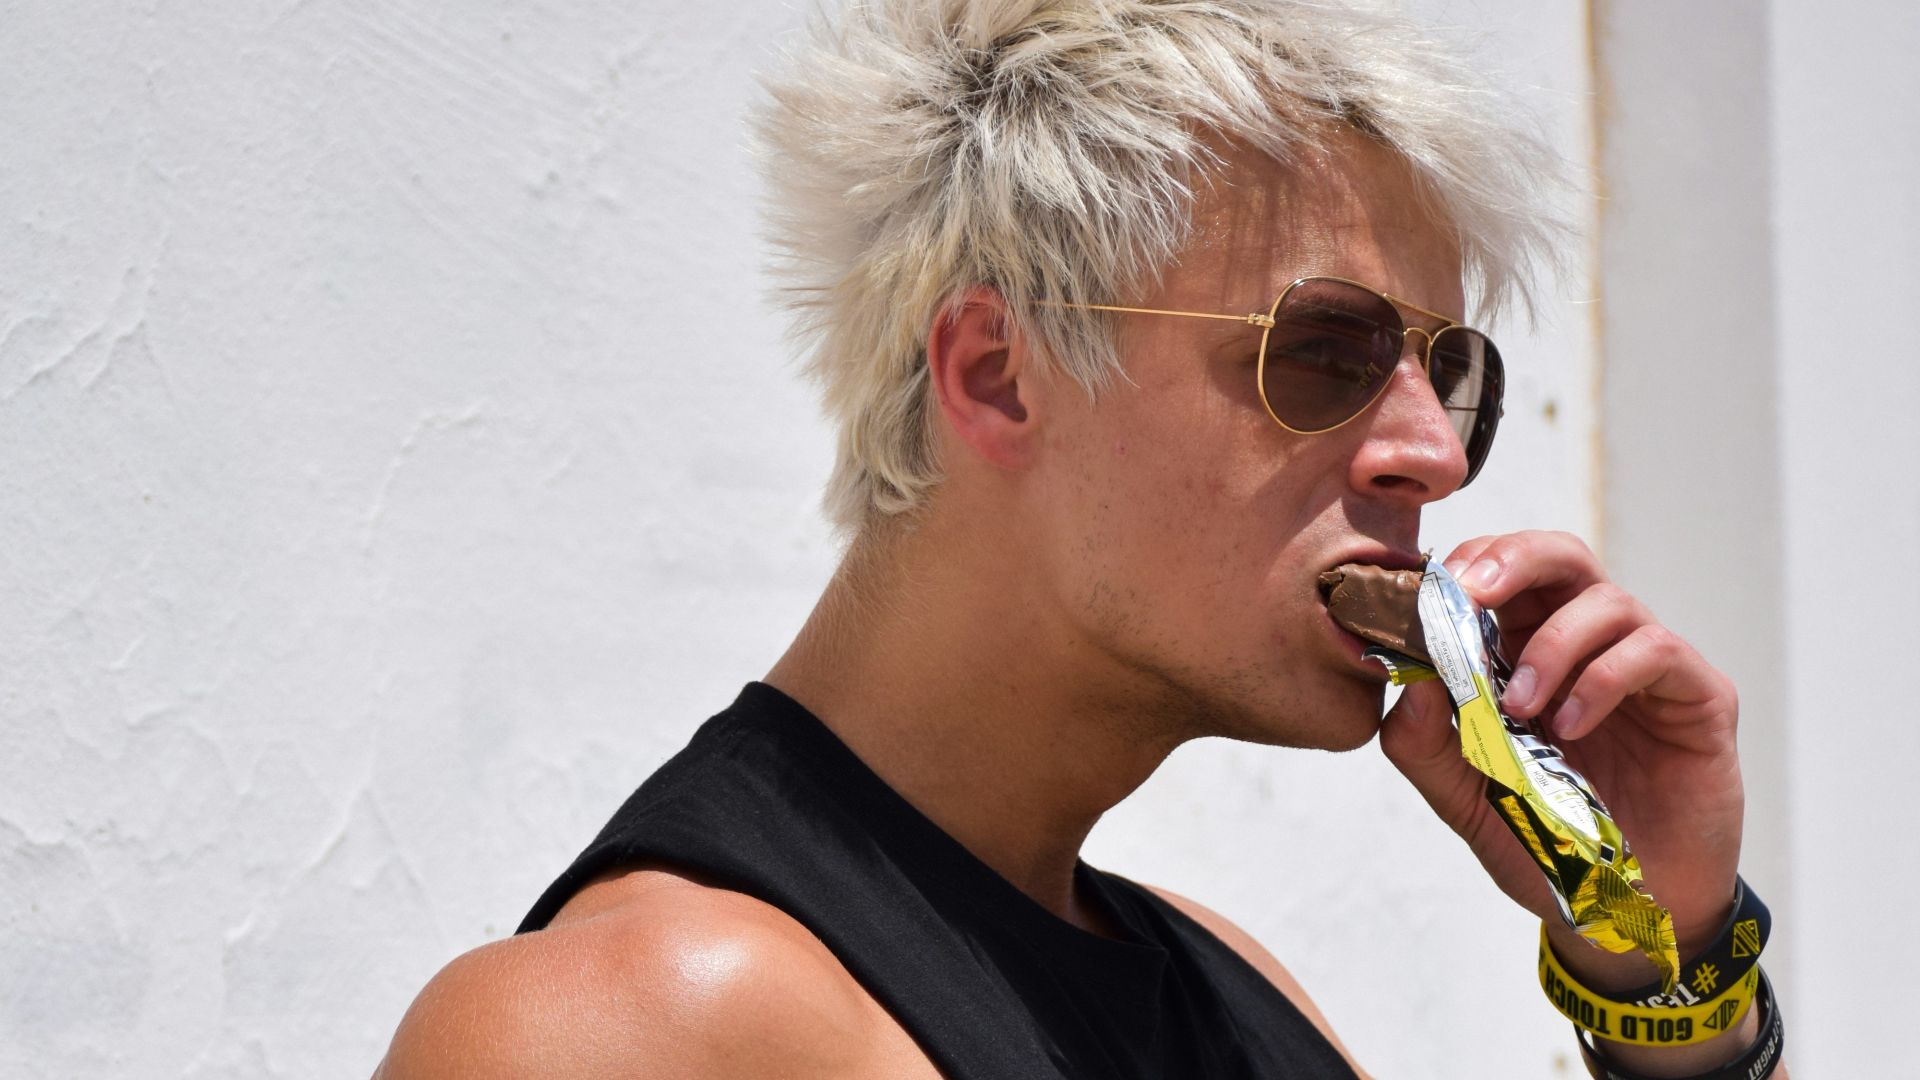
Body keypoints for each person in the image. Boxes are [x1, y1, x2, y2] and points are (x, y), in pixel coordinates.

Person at [375, 1, 1784, 1077]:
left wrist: (1660, 962)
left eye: (1449, 372)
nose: (1428, 452)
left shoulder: (1238, 998)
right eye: (1331, 349)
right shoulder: (647, 1024)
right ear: (999, 370)